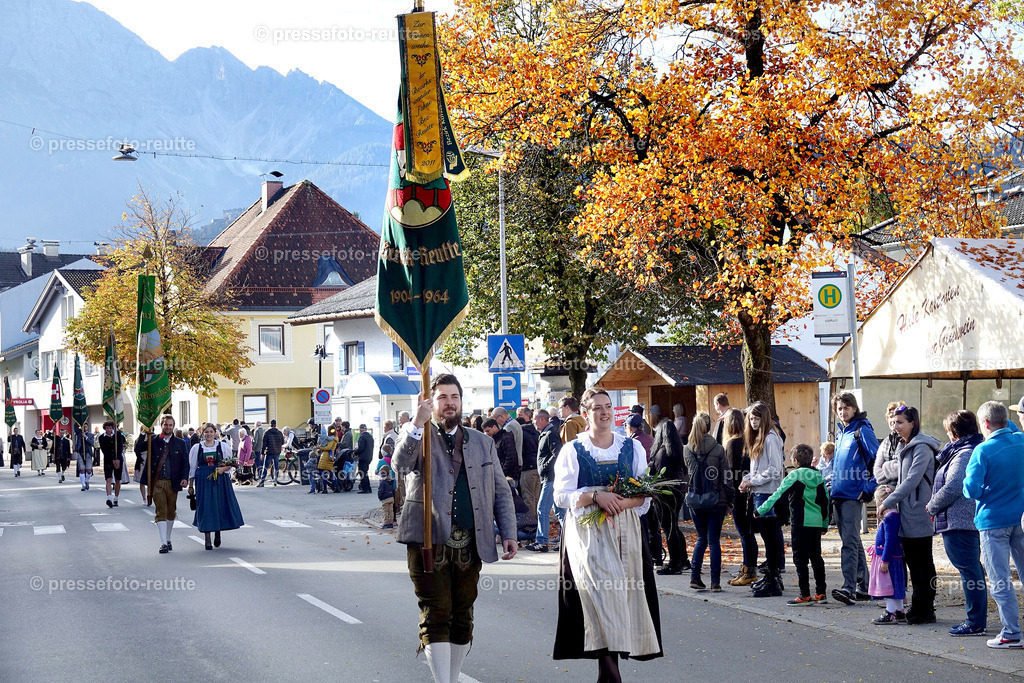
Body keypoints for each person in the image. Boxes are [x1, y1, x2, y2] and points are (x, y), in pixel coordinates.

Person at [394, 374, 517, 683]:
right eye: (442, 397)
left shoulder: (482, 442)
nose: (449, 403)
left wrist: (510, 532)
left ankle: (452, 676)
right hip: (427, 540)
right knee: (436, 612)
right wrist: (415, 426)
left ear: (462, 402)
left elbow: (500, 491)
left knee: (462, 615)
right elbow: (400, 465)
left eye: (454, 397)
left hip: (471, 542)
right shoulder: (418, 436)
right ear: (431, 403)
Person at [553, 387, 662, 680]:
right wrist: (596, 496)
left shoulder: (631, 447)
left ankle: (608, 674)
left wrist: (618, 502)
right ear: (586, 414)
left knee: (622, 601)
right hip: (588, 534)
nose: (604, 413)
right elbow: (561, 496)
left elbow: (644, 493)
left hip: (625, 531)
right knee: (600, 599)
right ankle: (612, 676)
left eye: (608, 407)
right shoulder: (573, 450)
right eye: (597, 408)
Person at [964, 400, 1024, 649]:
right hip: (1019, 518)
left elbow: (970, 489)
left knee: (1001, 580)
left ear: (985, 424)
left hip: (992, 521)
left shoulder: (983, 451)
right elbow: (1007, 425)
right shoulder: (1021, 440)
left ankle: (1011, 632)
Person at [927, 410, 987, 636]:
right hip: (961, 519)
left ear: (954, 432)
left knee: (969, 571)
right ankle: (976, 619)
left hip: (959, 520)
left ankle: (975, 622)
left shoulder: (963, 453)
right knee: (972, 570)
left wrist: (932, 505)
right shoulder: (965, 450)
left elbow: (953, 486)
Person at [877, 405, 939, 625]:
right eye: (893, 423)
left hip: (919, 513)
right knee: (915, 563)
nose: (896, 427)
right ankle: (920, 607)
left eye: (900, 422)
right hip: (908, 512)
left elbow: (911, 480)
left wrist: (888, 501)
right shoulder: (906, 445)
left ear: (913, 422)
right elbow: (883, 473)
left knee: (922, 564)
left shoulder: (921, 447)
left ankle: (924, 609)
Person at [755, 444, 829, 605]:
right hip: (816, 523)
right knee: (816, 557)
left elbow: (777, 494)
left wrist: (759, 510)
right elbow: (825, 502)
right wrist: (825, 524)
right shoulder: (819, 477)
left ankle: (805, 594)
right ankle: (821, 593)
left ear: (795, 461)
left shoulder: (794, 476)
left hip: (800, 522)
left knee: (800, 558)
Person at [829, 391, 878, 606]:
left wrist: (869, 488)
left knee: (848, 542)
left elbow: (879, 461)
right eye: (839, 408)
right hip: (838, 493)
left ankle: (848, 587)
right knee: (853, 541)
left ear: (854, 408)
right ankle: (863, 586)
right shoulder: (841, 432)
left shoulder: (861, 430)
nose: (843, 411)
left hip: (852, 495)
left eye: (846, 407)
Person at [739, 401, 785, 598]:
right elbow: (757, 467)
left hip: (768, 494)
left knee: (771, 537)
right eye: (750, 418)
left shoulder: (770, 438)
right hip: (759, 492)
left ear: (764, 418)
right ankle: (771, 577)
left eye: (756, 418)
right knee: (767, 536)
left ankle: (773, 579)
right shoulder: (758, 438)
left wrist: (753, 481)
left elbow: (775, 470)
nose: (753, 421)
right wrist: (747, 479)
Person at [684, 413, 732, 589]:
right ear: (709, 426)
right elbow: (726, 476)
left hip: (695, 500)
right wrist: (730, 500)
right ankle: (715, 582)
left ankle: (694, 577)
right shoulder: (718, 449)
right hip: (716, 500)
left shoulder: (686, 449)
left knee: (701, 539)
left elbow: (688, 475)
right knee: (713, 541)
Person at [188, 423, 244, 550]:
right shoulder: (197, 448)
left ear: (215, 433)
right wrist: (190, 485)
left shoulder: (222, 446)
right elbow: (192, 468)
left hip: (220, 480)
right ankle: (207, 538)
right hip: (203, 481)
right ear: (202, 434)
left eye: (211, 432)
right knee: (206, 507)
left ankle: (217, 533)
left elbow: (232, 464)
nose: (208, 434)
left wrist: (223, 469)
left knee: (218, 506)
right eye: (206, 432)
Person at [647, 416, 690, 574]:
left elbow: (658, 475)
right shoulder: (677, 451)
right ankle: (683, 559)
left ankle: (674, 563)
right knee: (674, 526)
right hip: (678, 490)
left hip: (665, 492)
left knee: (668, 527)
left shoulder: (661, 453)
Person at [724, 409, 758, 586]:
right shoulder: (747, 441)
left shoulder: (732, 443)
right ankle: (747, 568)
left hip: (739, 494)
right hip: (749, 491)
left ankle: (749, 570)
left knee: (745, 534)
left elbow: (731, 474)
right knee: (748, 533)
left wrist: (728, 498)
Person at [147, 415, 190, 554]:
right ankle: (163, 543)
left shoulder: (180, 443)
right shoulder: (152, 441)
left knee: (171, 512)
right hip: (157, 482)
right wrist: (144, 433)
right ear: (161, 425)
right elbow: (138, 449)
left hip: (173, 482)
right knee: (161, 511)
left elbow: (185, 462)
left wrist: (185, 478)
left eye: (171, 425)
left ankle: (168, 538)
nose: (168, 427)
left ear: (174, 426)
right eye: (166, 425)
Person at [526, 409, 564, 552]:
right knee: (560, 511)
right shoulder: (547, 433)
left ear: (542, 419)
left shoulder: (550, 433)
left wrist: (545, 468)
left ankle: (541, 542)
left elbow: (557, 454)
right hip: (550, 477)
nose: (533, 421)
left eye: (535, 419)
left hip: (551, 478)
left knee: (542, 509)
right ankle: (566, 539)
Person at [869, 485, 907, 624]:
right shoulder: (892, 516)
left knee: (888, 586)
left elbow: (890, 541)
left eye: (878, 501)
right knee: (896, 585)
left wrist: (884, 560)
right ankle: (899, 611)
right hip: (893, 557)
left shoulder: (890, 518)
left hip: (889, 558)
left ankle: (890, 612)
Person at [873, 401, 908, 489]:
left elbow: (904, 468)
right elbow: (877, 471)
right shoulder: (886, 442)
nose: (893, 420)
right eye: (890, 416)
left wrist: (885, 466)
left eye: (896, 417)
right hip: (886, 489)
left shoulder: (908, 439)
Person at [98, 421, 127, 508]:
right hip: (108, 460)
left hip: (118, 459)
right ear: (105, 429)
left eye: (110, 428)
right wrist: (112, 460)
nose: (109, 430)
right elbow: (104, 451)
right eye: (107, 428)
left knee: (118, 479)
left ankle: (116, 498)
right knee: (108, 479)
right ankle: (109, 498)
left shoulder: (118, 435)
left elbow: (121, 447)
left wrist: (117, 459)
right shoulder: (101, 438)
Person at [482, 418, 520, 483]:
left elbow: (511, 458)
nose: (486, 433)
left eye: (488, 431)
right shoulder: (495, 440)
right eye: (485, 431)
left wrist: (501, 473)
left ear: (494, 427)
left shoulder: (505, 438)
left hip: (508, 477)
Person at [519, 415, 541, 525]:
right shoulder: (536, 432)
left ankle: (531, 524)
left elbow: (521, 451)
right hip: (537, 467)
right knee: (536, 497)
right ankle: (538, 521)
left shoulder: (521, 434)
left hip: (527, 468)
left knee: (528, 497)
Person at [259, 419, 284, 487]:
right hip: (277, 452)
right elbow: (282, 442)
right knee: (276, 467)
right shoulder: (279, 432)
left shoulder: (267, 432)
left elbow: (264, 444)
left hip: (269, 452)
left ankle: (262, 482)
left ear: (270, 425)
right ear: (275, 425)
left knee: (265, 467)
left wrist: (262, 453)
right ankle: (275, 480)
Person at [377, 460, 397, 529]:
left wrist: (380, 497)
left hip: (385, 498)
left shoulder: (382, 482)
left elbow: (380, 491)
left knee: (385, 511)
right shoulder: (390, 480)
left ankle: (386, 522)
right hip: (391, 497)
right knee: (391, 510)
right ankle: (391, 522)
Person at [133, 429, 149, 504]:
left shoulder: (153, 438)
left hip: (150, 461)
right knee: (142, 481)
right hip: (142, 461)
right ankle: (144, 498)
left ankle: (150, 496)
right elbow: (137, 449)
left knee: (150, 481)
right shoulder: (139, 440)